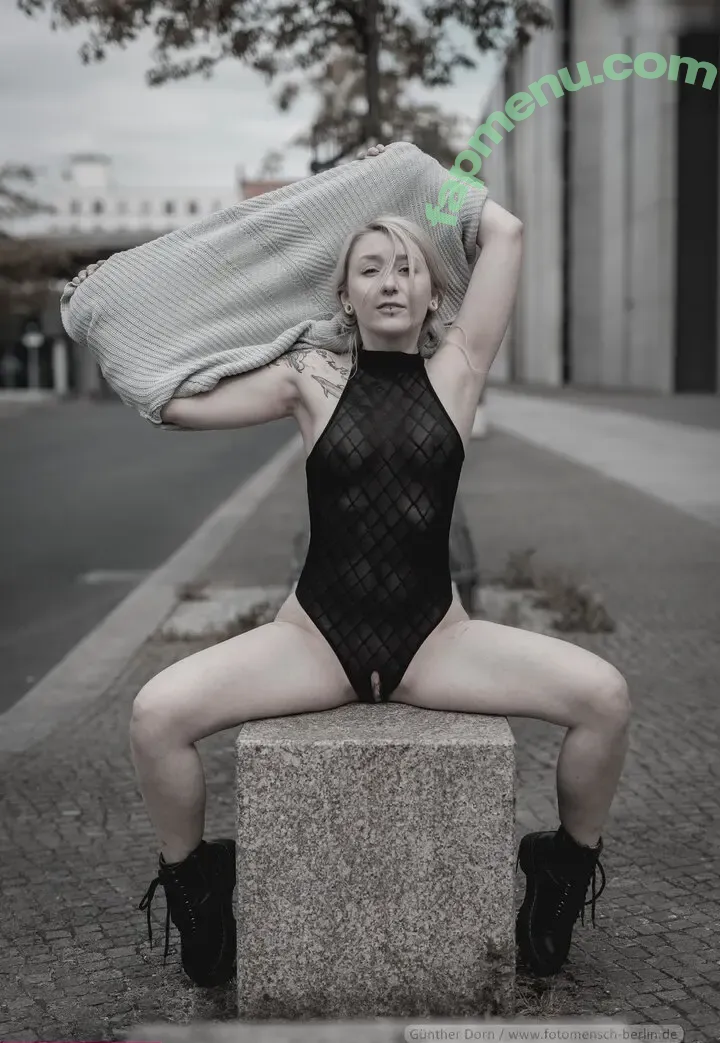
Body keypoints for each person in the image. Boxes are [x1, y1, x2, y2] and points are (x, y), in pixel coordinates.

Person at [69, 143, 630, 988]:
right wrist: (112, 318)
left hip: (435, 642)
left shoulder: (461, 369)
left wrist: (408, 172)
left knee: (606, 699)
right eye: (371, 269)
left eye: (408, 268)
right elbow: (174, 406)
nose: (391, 282)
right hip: (314, 641)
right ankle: (199, 892)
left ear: (434, 292)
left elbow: (506, 232)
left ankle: (558, 876)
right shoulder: (307, 379)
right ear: (345, 295)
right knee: (155, 715)